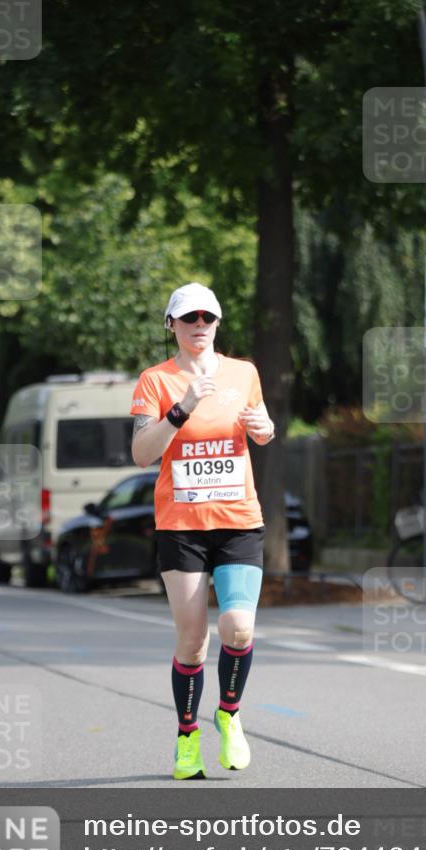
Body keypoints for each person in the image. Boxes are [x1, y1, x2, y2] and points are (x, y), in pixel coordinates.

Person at [130, 282, 275, 780]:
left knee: (238, 626)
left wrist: (265, 428)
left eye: (206, 318)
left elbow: (261, 427)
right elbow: (142, 453)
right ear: (171, 324)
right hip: (182, 528)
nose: (198, 326)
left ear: (217, 323)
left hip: (237, 521)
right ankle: (188, 735)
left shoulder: (244, 373)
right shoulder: (155, 381)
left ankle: (229, 714)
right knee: (192, 641)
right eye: (188, 318)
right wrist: (183, 405)